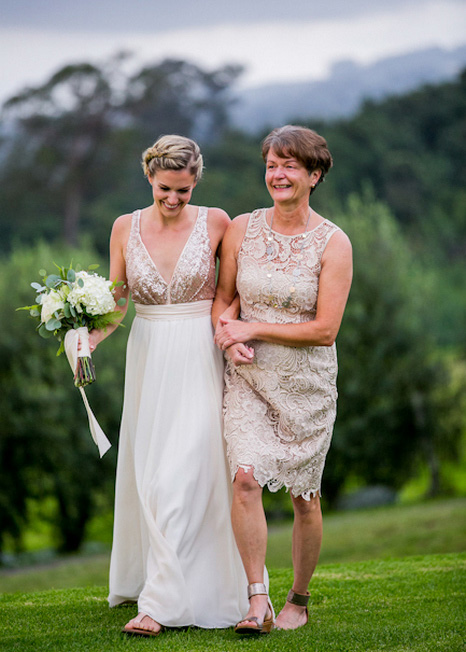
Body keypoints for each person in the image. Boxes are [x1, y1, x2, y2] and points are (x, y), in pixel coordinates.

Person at [89, 134, 247, 637]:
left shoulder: (217, 221)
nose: (174, 200)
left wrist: (231, 339)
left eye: (183, 189)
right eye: (164, 190)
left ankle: (159, 605)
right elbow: (117, 304)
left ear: (196, 180)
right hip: (149, 355)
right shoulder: (123, 227)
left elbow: (228, 297)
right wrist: (86, 340)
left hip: (200, 353)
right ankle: (163, 581)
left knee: (183, 474)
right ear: (149, 179)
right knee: (152, 476)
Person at [212, 125, 353, 635]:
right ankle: (258, 601)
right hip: (248, 377)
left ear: (314, 175)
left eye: (290, 166)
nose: (278, 174)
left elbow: (325, 329)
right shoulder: (242, 229)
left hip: (306, 388)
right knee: (245, 478)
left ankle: (300, 594)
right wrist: (228, 333)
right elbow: (223, 299)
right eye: (272, 164)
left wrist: (255, 325)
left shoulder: (334, 243)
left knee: (304, 497)